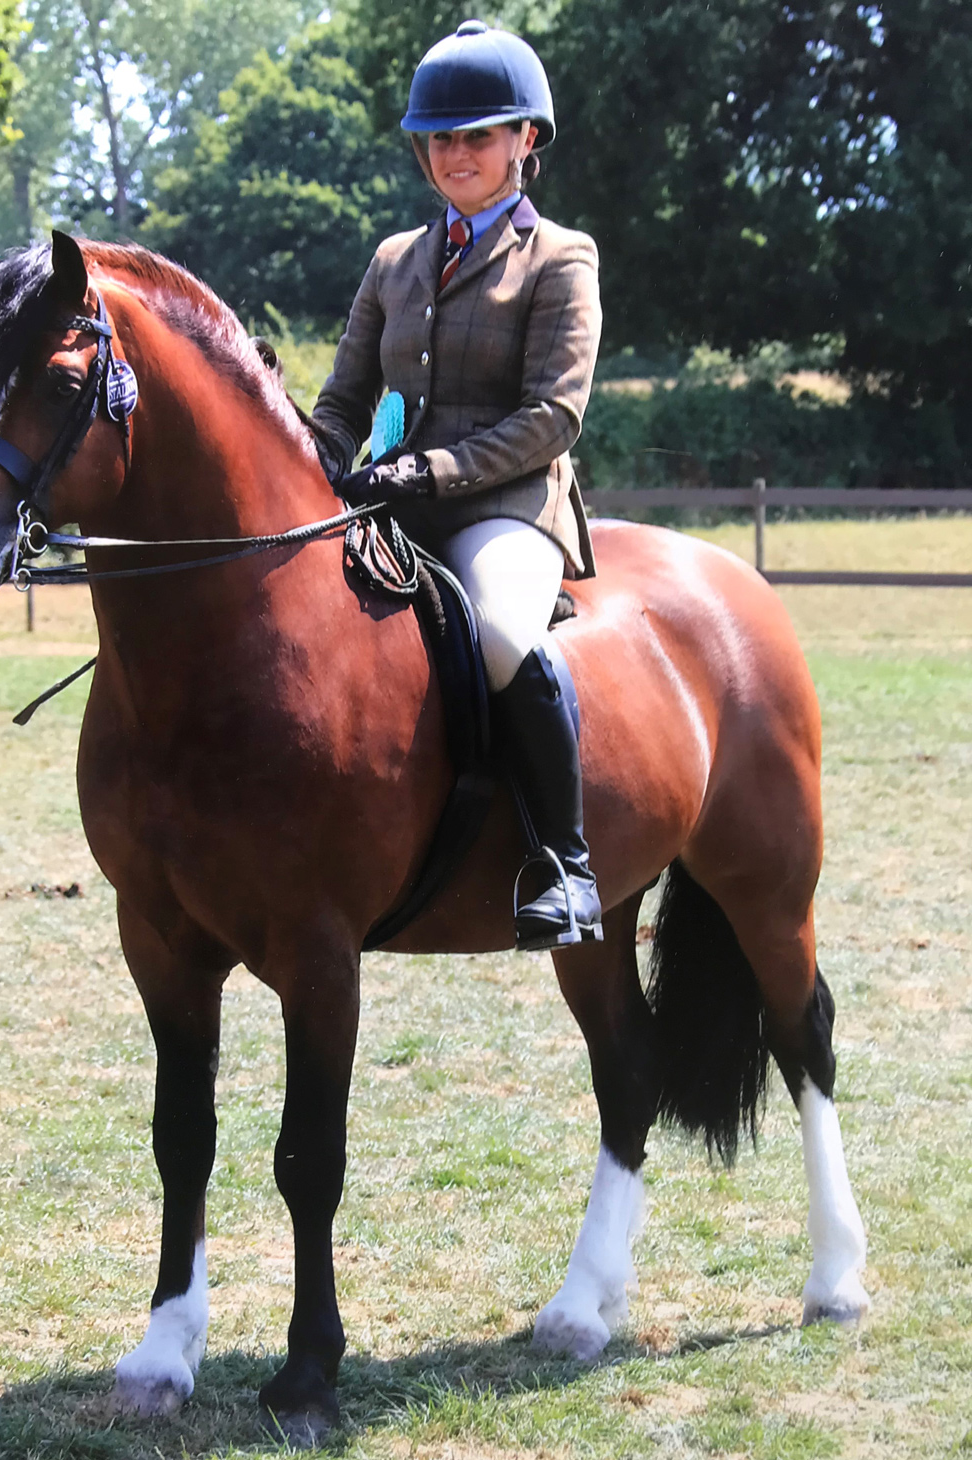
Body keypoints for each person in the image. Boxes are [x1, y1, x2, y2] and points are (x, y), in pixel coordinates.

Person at [311, 19, 605, 950]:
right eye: (442, 137)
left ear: (525, 140)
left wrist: (432, 471)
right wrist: (309, 468)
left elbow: (552, 418)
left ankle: (566, 862)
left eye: (479, 134)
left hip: (503, 506)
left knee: (504, 636)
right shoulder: (394, 260)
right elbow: (343, 400)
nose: (457, 153)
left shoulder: (561, 257)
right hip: (390, 501)